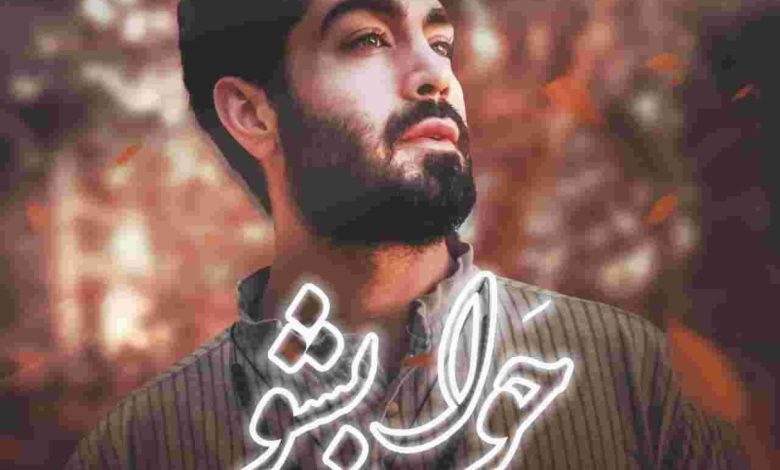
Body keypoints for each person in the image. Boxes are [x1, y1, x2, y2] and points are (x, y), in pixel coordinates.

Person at [65, 0, 747, 468]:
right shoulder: (143, 447)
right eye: (367, 39)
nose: (436, 75)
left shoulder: (631, 377)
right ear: (252, 112)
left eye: (440, 42)